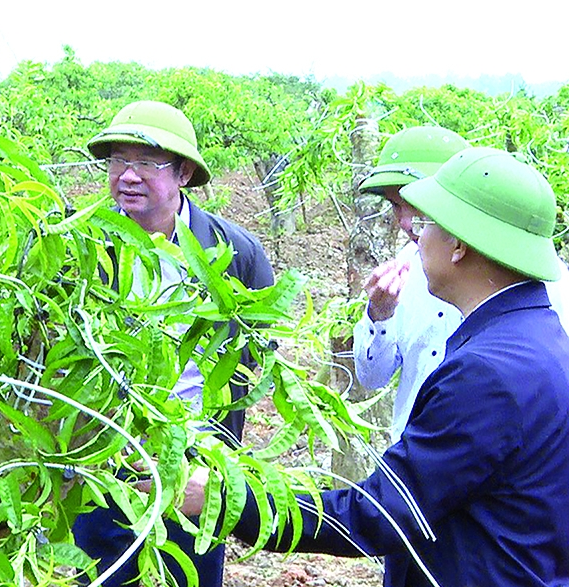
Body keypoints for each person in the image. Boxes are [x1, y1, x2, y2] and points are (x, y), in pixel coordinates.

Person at [223, 147, 569, 586]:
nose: (416, 238)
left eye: (425, 225)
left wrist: (234, 502)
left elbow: (382, 512)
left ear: (459, 244)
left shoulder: (487, 374)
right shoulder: (539, 336)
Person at [72, 100, 274, 587]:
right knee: (103, 572)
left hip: (194, 463)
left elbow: (255, 353)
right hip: (104, 458)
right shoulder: (82, 243)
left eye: (147, 163)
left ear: (183, 173)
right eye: (118, 161)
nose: (128, 176)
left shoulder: (234, 252)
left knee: (189, 570)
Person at [352, 127, 569, 443]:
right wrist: (379, 315)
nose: (407, 222)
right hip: (420, 465)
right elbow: (371, 377)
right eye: (397, 206)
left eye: (420, 204)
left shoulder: (544, 287)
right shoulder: (404, 270)